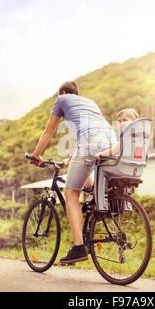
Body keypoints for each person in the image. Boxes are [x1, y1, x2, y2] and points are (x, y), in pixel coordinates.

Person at [31, 81, 117, 264]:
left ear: (62, 92)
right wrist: (70, 161)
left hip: (91, 142)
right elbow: (86, 135)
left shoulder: (61, 100)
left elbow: (49, 130)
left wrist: (36, 154)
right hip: (111, 141)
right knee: (86, 179)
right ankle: (97, 211)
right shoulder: (90, 103)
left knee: (70, 193)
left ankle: (78, 247)